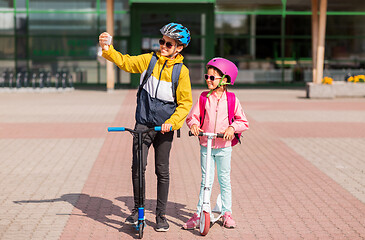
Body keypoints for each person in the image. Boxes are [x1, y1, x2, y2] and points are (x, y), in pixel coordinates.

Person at [99, 23, 193, 232]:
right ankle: (137, 208)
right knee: (138, 168)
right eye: (162, 41)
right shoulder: (148, 60)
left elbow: (185, 103)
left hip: (164, 128)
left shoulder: (182, 72)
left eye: (169, 44)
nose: (163, 46)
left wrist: (172, 123)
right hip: (142, 123)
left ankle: (160, 216)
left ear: (178, 48)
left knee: (162, 171)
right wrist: (108, 49)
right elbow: (125, 62)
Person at [184, 58, 249, 229]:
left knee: (224, 179)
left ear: (225, 80)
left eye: (212, 77)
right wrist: (195, 125)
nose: (208, 80)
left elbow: (243, 121)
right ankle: (199, 213)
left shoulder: (232, 99)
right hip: (206, 145)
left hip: (224, 148)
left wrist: (232, 128)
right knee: (206, 180)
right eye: (207, 76)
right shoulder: (204, 97)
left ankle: (227, 212)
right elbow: (192, 117)